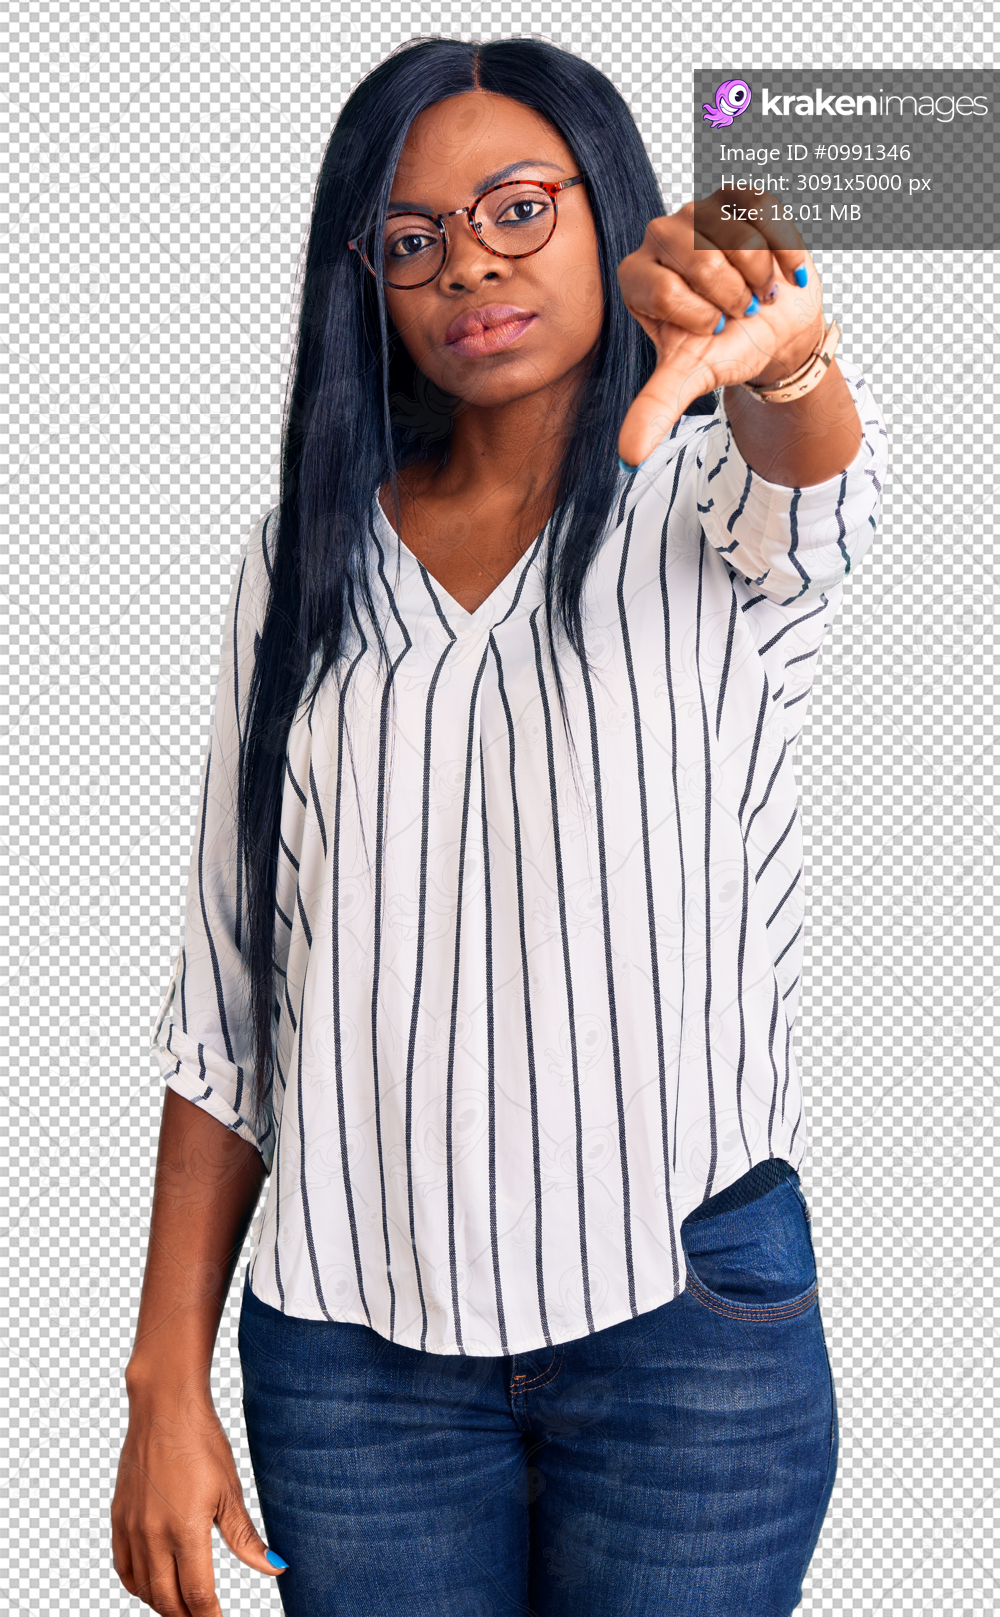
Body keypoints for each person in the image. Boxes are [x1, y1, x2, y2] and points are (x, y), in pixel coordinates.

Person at [111, 35, 888, 1617]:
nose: (471, 259)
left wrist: (790, 361)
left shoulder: (710, 512)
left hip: (685, 1337)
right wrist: (161, 1384)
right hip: (354, 1366)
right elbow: (231, 1006)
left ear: (611, 211)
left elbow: (813, 476)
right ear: (370, 284)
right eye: (412, 239)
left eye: (521, 207)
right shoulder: (304, 561)